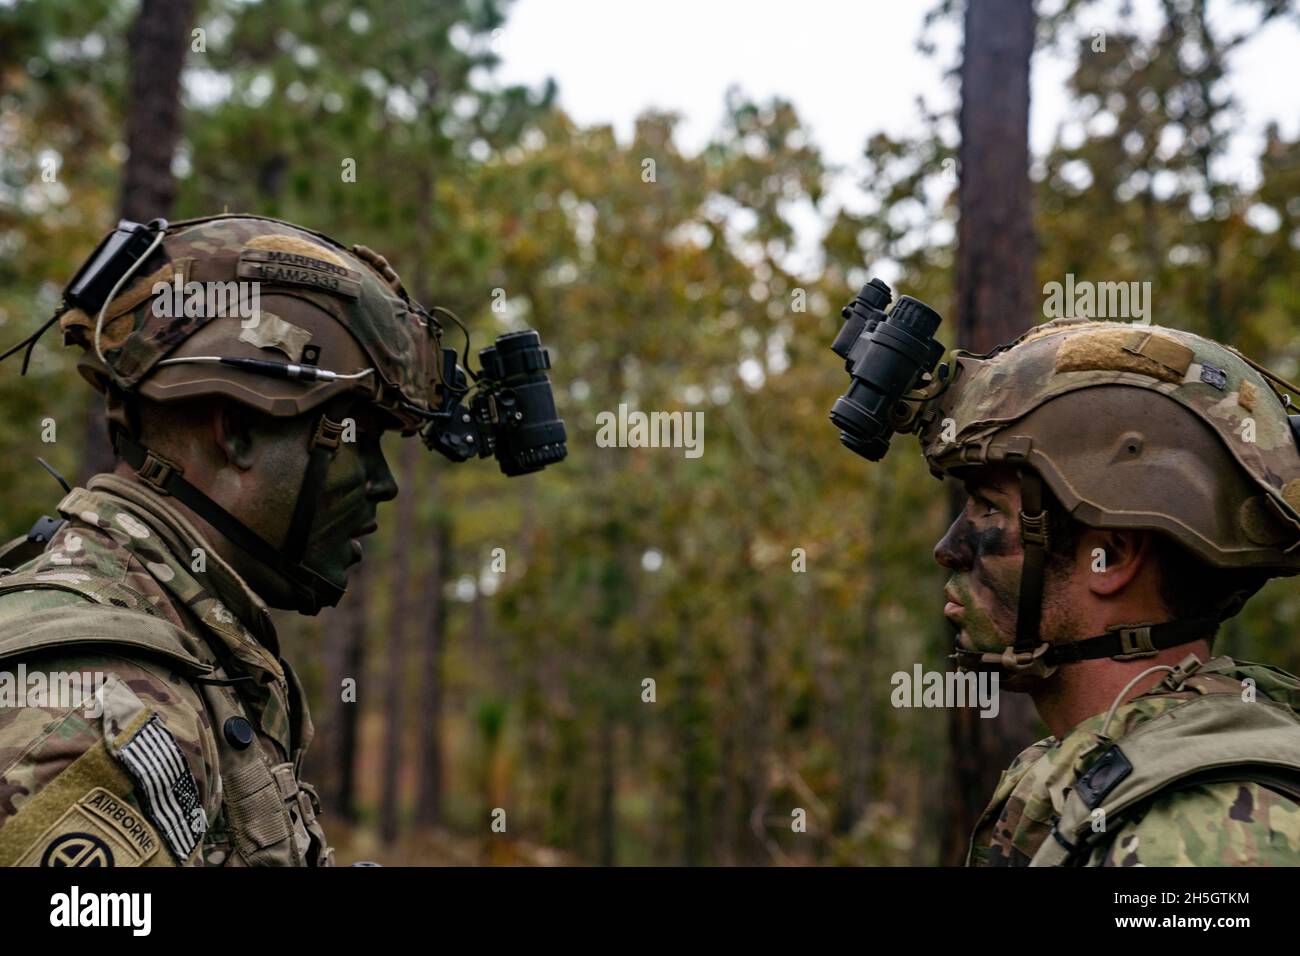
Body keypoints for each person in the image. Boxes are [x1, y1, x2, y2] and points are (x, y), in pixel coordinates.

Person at [0, 214, 562, 866]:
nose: (384, 485)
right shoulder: (92, 701)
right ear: (237, 429)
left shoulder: (184, 642)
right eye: (359, 438)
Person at [921, 316, 1300, 865]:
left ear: (1111, 557)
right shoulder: (1110, 777)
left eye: (987, 509)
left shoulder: (1204, 837)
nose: (949, 547)